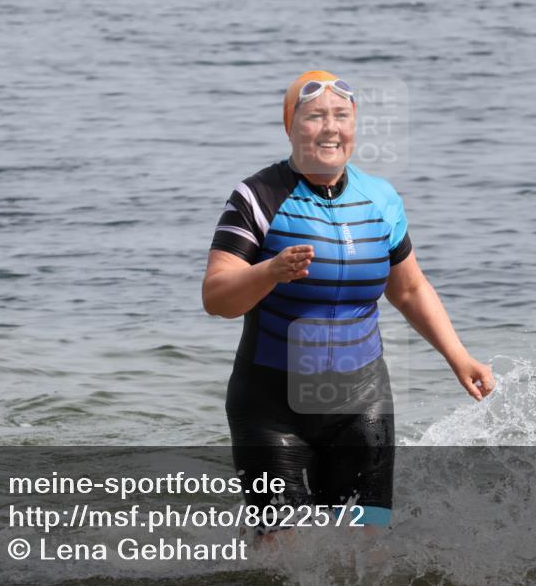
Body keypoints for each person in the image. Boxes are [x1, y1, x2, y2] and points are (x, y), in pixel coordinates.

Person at [203, 70, 495, 540]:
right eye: (315, 116)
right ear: (290, 126)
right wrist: (269, 271)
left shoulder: (380, 199)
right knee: (281, 551)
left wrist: (458, 356)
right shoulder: (257, 197)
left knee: (367, 550)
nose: (330, 128)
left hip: (362, 403)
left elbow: (409, 289)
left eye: (342, 116)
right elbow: (216, 297)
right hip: (270, 406)